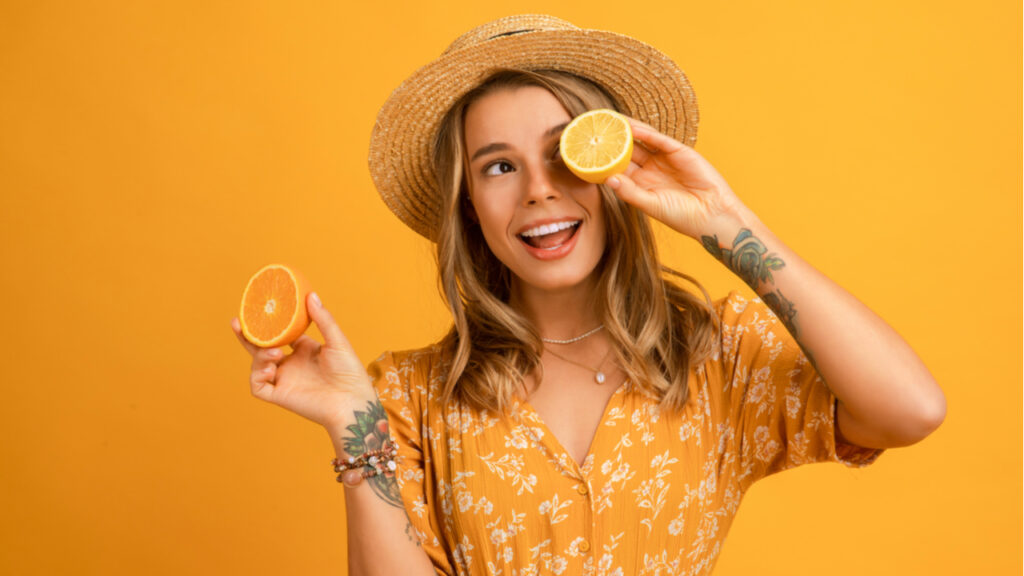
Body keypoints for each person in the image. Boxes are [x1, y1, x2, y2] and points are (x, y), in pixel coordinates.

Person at [231, 14, 945, 575]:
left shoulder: (715, 358)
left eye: (563, 150)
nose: (540, 189)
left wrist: (728, 224)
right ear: (469, 206)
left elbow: (910, 409)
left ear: (612, 168)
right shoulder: (410, 398)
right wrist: (357, 429)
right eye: (500, 165)